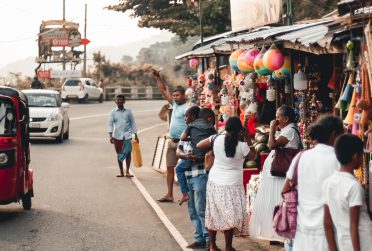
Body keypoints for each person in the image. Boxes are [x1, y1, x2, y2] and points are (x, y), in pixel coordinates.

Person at [281, 114, 344, 251]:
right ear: (334, 135)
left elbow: (284, 190)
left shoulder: (301, 157)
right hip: (330, 233)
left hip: (303, 231)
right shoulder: (339, 159)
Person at [197, 116, 257, 251]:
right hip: (233, 184)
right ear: (240, 130)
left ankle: (212, 246)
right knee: (230, 215)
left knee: (213, 212)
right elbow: (253, 156)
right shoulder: (242, 146)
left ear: (226, 128)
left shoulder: (216, 139)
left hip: (215, 182)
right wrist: (248, 138)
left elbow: (199, 145)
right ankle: (228, 246)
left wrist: (212, 149)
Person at [249, 105, 301, 241]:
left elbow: (272, 145)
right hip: (276, 174)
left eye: (278, 117)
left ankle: (283, 236)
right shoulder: (286, 130)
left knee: (280, 201)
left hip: (281, 174)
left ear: (286, 118)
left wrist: (272, 128)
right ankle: (279, 234)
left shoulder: (290, 131)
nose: (276, 120)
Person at [323, 134, 372, 251]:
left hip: (343, 243)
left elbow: (327, 223)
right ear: (355, 156)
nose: (362, 159)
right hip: (363, 243)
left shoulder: (328, 183)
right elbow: (353, 226)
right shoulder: (353, 185)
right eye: (362, 155)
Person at [151, 69, 189, 202]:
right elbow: (163, 90)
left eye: (177, 95)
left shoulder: (188, 108)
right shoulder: (174, 104)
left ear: (184, 95)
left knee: (184, 168)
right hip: (172, 142)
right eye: (174, 95)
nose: (175, 97)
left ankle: (186, 193)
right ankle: (169, 194)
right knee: (169, 168)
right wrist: (157, 77)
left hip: (183, 143)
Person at [177, 107, 216, 206]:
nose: (185, 119)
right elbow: (215, 140)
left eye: (186, 117)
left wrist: (191, 138)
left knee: (178, 169)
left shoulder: (190, 126)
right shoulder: (211, 128)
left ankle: (184, 193)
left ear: (193, 117)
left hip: (199, 171)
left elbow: (183, 138)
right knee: (196, 208)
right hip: (203, 160)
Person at [108, 94, 138, 178]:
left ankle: (127, 171)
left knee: (128, 153)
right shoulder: (113, 112)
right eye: (118, 100)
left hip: (128, 135)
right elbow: (110, 124)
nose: (119, 101)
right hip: (117, 136)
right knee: (119, 154)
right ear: (115, 101)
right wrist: (110, 135)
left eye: (121, 100)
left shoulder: (128, 111)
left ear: (124, 101)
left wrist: (135, 134)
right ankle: (121, 172)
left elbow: (133, 123)